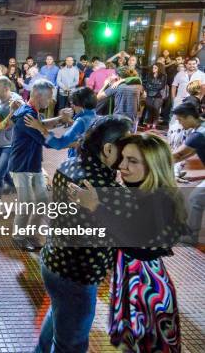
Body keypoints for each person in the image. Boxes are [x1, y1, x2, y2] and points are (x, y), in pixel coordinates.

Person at [72, 133, 185, 352]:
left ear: (154, 165)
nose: (122, 166)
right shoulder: (144, 191)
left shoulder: (158, 200)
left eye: (132, 161)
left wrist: (95, 207)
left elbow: (138, 243)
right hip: (133, 280)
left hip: (146, 289)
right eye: (123, 158)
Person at [36, 115, 134, 353]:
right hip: (78, 274)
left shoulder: (69, 165)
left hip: (54, 261)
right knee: (71, 343)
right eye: (127, 147)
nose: (129, 154)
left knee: (59, 315)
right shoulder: (105, 188)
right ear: (108, 148)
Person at [9, 79, 55, 251]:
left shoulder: (32, 112)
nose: (50, 101)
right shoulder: (27, 115)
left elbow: (41, 125)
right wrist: (72, 142)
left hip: (33, 163)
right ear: (38, 95)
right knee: (27, 203)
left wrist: (57, 120)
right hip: (21, 165)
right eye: (49, 97)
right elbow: (47, 141)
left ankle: (32, 233)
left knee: (42, 200)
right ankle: (19, 236)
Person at [25, 87, 98, 158]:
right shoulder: (97, 117)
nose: (72, 106)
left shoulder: (81, 121)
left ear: (81, 105)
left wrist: (41, 128)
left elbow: (59, 144)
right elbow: (83, 131)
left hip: (78, 161)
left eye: (73, 104)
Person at [172, 103, 205, 245]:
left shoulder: (198, 135)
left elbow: (177, 155)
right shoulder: (201, 128)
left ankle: (191, 237)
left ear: (190, 117)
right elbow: (187, 153)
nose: (179, 123)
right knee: (197, 198)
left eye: (180, 119)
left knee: (196, 198)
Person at [0, 77, 21, 197]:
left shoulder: (17, 102)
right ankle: (14, 188)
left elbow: (7, 126)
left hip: (10, 145)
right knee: (4, 171)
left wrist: (12, 112)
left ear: (6, 89)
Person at [142, 63, 167, 130]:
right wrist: (149, 88)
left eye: (155, 68)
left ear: (159, 68)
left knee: (156, 109)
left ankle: (154, 125)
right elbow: (145, 84)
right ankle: (148, 124)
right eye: (153, 67)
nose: (153, 69)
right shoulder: (149, 75)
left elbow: (161, 86)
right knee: (149, 109)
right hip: (149, 94)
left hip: (159, 95)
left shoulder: (163, 76)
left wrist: (151, 86)